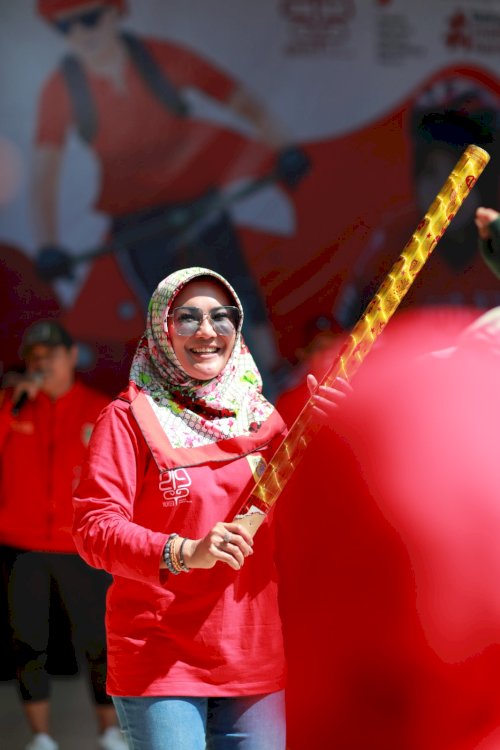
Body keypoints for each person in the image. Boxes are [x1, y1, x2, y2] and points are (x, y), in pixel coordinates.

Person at [71, 266, 342, 749]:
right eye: (187, 318)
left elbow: (309, 523)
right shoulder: (128, 418)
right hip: (160, 660)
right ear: (160, 329)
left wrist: (332, 443)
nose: (206, 330)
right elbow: (94, 529)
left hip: (253, 657)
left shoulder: (264, 417)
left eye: (222, 317)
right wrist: (183, 550)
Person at [31, 0, 310, 396]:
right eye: (66, 28)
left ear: (115, 13)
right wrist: (47, 244)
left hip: (199, 202)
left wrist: (284, 146)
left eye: (89, 19)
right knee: (167, 315)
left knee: (236, 293)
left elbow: (235, 97)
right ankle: (190, 398)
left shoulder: (161, 56)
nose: (81, 34)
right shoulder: (62, 87)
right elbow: (46, 167)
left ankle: (272, 383)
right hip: (138, 223)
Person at [0, 320, 126, 750]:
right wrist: (10, 406)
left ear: (71, 357)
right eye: (34, 356)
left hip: (82, 545)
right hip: (22, 544)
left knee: (97, 639)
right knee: (26, 641)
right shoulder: (12, 406)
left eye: (50, 354)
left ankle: (109, 730)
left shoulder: (98, 409)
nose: (41, 363)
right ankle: (40, 737)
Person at [334, 74, 500, 331]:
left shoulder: (495, 241)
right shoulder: (395, 242)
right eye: (432, 172)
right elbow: (345, 337)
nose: (445, 190)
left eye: (459, 173)